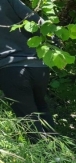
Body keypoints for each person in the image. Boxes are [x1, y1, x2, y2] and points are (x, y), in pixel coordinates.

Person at [0, 0, 55, 142]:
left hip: (10, 70)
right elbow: (39, 22)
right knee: (42, 109)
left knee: (29, 120)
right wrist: (55, 43)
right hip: (39, 67)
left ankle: (44, 158)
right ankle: (60, 154)